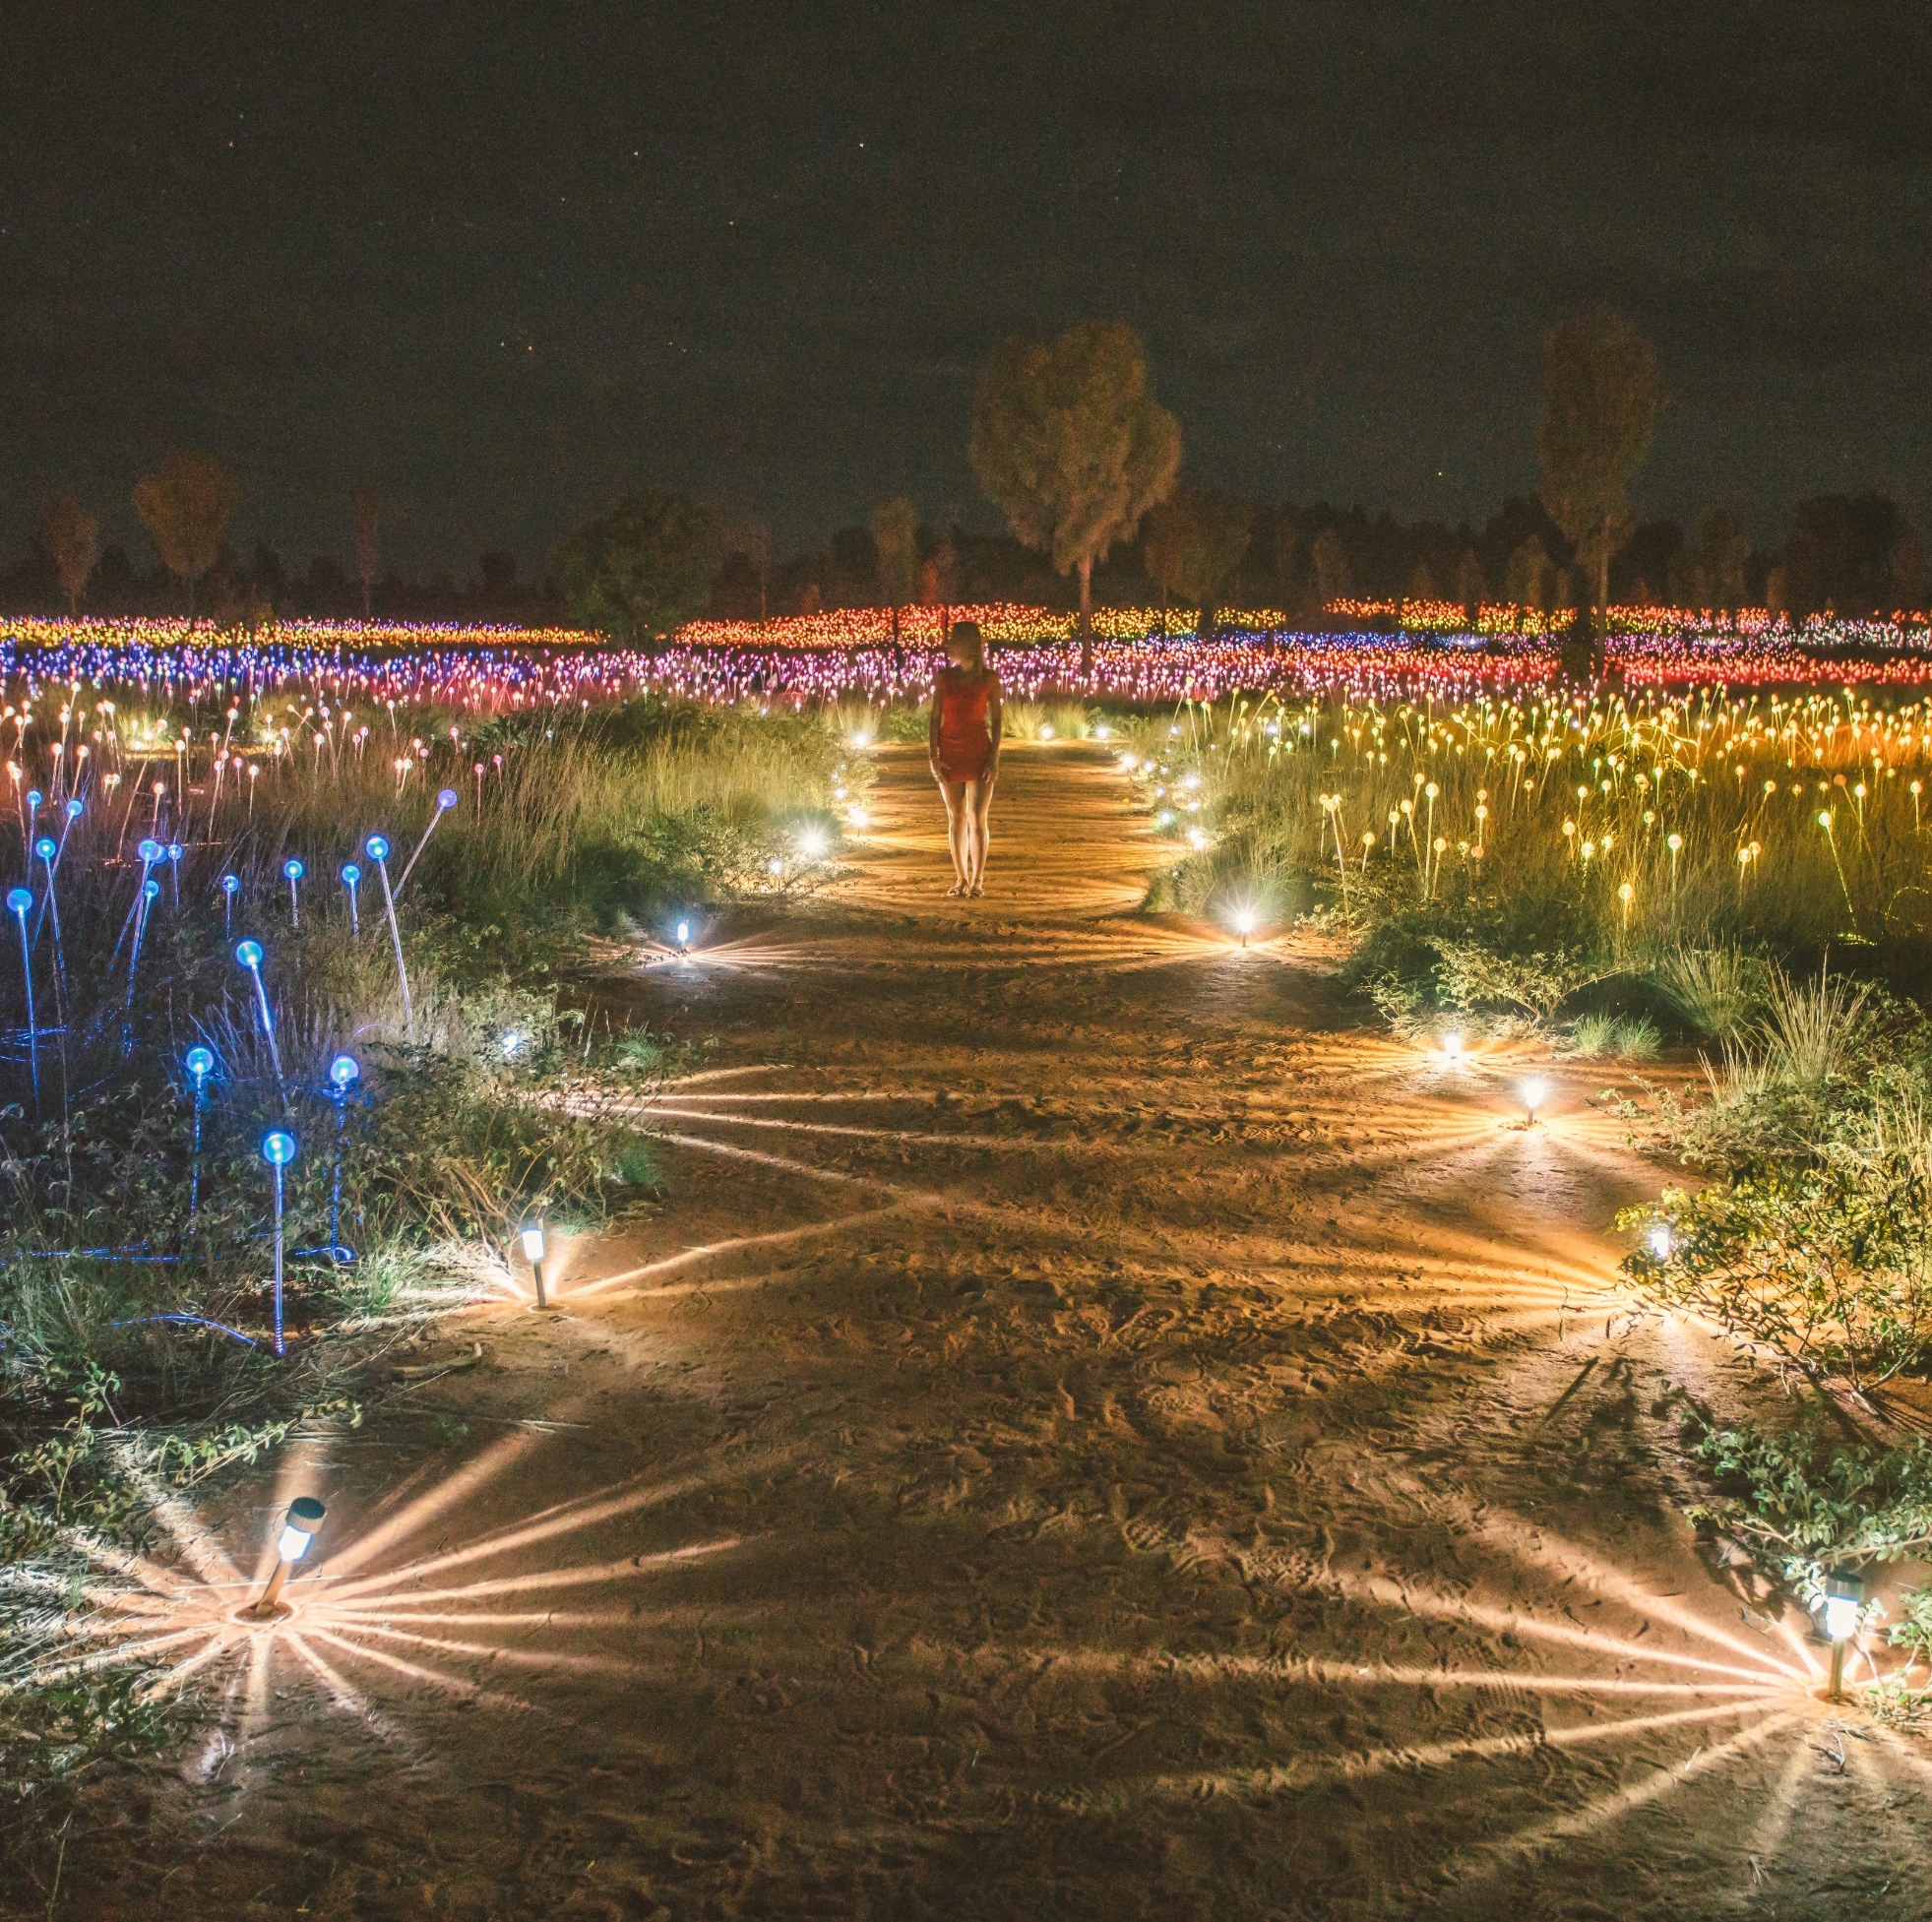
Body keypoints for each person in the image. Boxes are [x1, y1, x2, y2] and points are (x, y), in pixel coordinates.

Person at [927, 620, 1003, 897]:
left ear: (968, 644)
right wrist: (933, 755)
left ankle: (977, 880)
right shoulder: (944, 678)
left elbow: (997, 722)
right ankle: (960, 878)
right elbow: (935, 718)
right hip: (949, 752)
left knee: (977, 817)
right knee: (955, 817)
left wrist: (994, 758)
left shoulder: (989, 680)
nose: (949, 646)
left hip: (979, 751)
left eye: (954, 641)